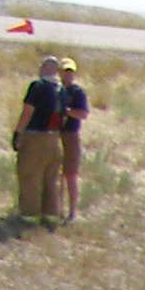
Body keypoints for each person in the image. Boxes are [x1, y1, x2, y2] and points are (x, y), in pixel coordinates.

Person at [12, 55, 68, 226]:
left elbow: (28, 111)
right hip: (55, 139)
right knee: (51, 178)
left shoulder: (37, 86)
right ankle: (51, 215)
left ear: (44, 69)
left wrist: (18, 132)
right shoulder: (62, 90)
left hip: (35, 137)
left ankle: (29, 215)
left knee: (30, 176)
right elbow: (64, 117)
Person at [57, 58, 89, 221]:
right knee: (56, 175)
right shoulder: (55, 90)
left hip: (70, 135)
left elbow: (83, 114)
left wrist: (67, 111)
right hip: (55, 135)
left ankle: (72, 211)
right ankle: (57, 209)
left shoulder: (78, 93)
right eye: (65, 71)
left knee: (70, 174)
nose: (68, 75)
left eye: (70, 72)